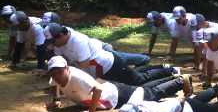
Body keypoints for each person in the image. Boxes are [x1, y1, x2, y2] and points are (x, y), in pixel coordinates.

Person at [45, 56, 190, 112]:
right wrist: (55, 99)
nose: (57, 75)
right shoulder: (55, 77)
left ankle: (179, 81)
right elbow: (53, 85)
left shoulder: (76, 77)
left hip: (115, 95)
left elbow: (98, 89)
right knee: (146, 90)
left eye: (59, 71)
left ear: (67, 68)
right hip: (113, 91)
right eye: (54, 72)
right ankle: (174, 78)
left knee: (150, 94)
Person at [48, 23, 177, 85]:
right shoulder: (60, 42)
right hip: (101, 68)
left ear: (61, 35)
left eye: (53, 41)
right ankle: (162, 67)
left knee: (138, 80)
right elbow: (60, 62)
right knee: (132, 78)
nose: (51, 45)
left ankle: (169, 70)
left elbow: (83, 65)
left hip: (110, 64)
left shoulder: (77, 41)